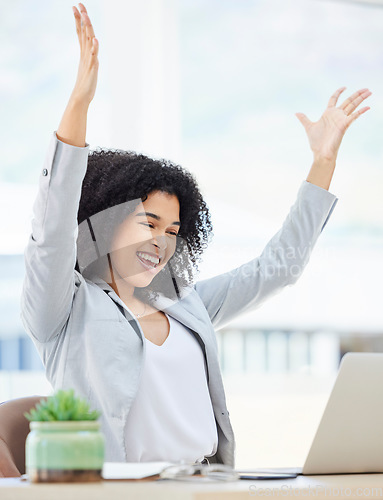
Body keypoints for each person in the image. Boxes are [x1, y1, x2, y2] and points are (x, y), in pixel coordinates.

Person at [20, 3, 371, 467]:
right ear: (105, 221)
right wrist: (79, 106)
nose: (162, 242)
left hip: (207, 484)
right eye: (148, 223)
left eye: (173, 230)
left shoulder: (186, 304)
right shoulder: (63, 309)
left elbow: (276, 270)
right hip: (120, 494)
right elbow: (51, 232)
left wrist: (322, 163)